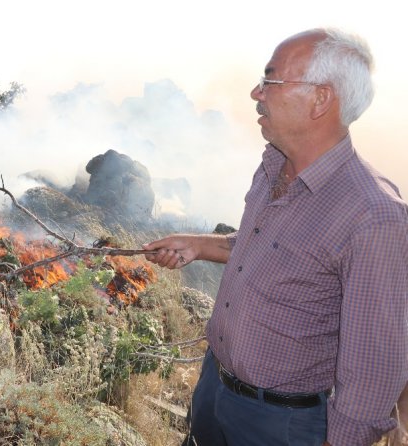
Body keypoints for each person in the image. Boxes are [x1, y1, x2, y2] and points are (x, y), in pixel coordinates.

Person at [144, 28, 408, 446]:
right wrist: (198, 244)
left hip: (281, 424)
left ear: (321, 99)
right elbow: (261, 246)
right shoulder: (273, 164)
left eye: (271, 79)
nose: (255, 92)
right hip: (214, 385)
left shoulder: (373, 216)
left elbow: (375, 366)